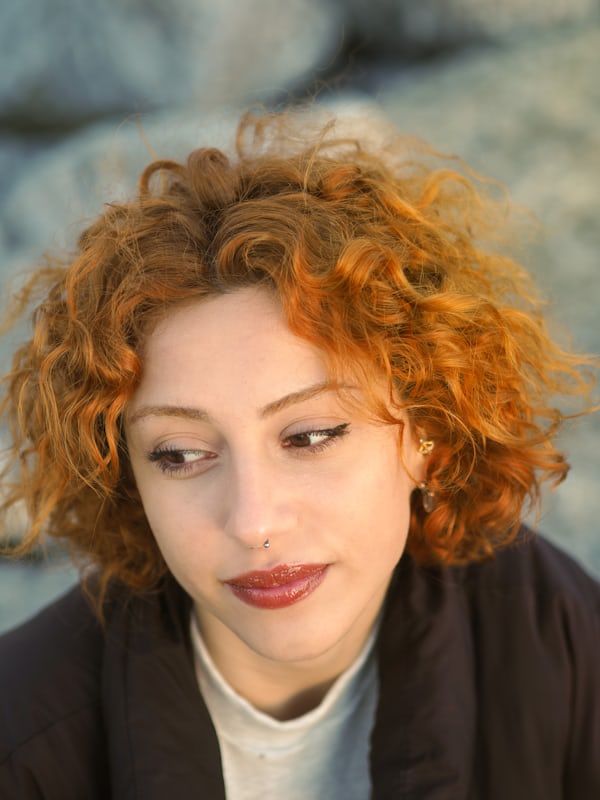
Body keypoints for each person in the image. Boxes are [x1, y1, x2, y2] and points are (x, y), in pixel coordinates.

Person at [0, 110, 598, 800]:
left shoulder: (556, 635)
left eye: (310, 437)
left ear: (427, 433)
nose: (254, 522)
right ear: (126, 476)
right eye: (181, 454)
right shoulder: (22, 742)